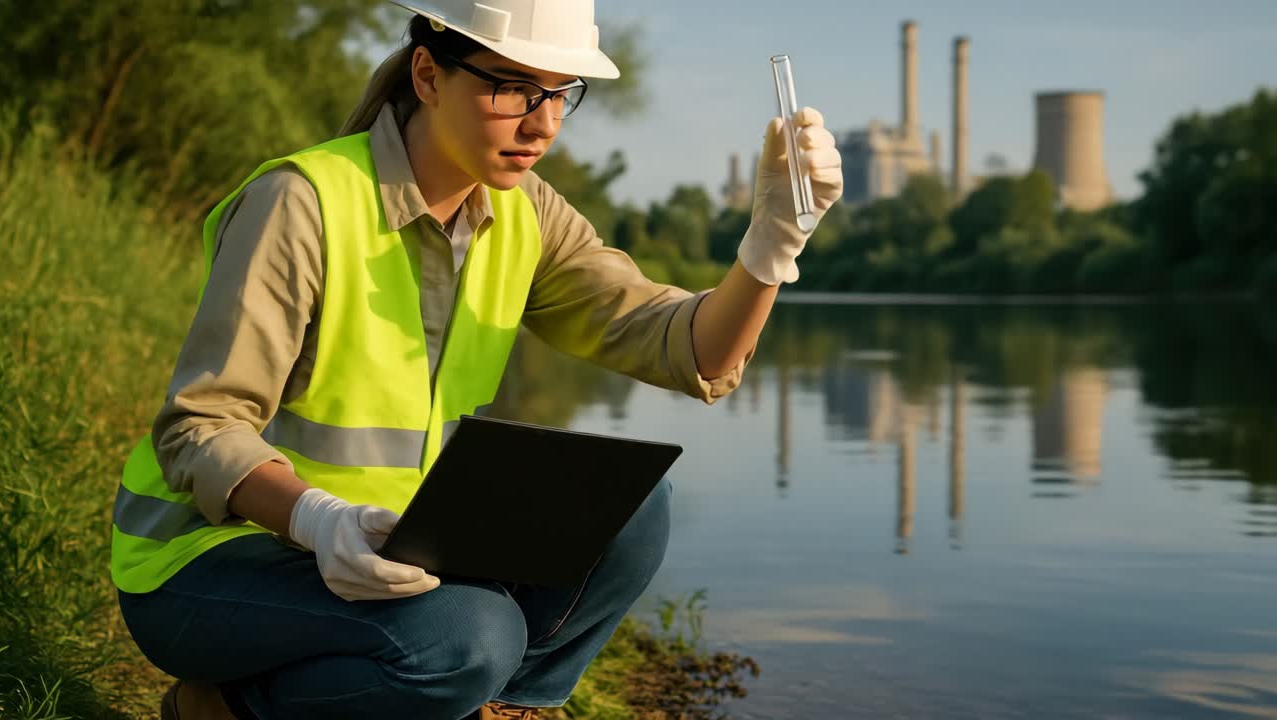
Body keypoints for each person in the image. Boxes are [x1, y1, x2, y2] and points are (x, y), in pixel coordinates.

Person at [110, 0, 843, 718]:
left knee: (630, 512)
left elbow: (689, 350)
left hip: (390, 538)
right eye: (514, 88)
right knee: (472, 637)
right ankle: (229, 707)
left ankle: (500, 706)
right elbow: (198, 429)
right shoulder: (301, 204)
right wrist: (316, 520)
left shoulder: (527, 213)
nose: (544, 123)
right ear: (428, 75)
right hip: (211, 561)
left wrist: (770, 247)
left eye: (560, 94)